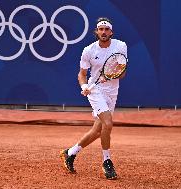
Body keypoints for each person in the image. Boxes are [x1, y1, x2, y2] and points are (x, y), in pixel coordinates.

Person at [60, 17, 127, 180]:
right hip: (95, 90)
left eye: (106, 29)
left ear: (111, 32)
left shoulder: (121, 46)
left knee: (98, 130)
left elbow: (122, 72)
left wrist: (110, 76)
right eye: (100, 29)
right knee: (108, 123)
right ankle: (107, 161)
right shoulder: (88, 50)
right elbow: (82, 75)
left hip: (112, 91)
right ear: (96, 32)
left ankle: (70, 153)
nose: (103, 32)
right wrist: (84, 87)